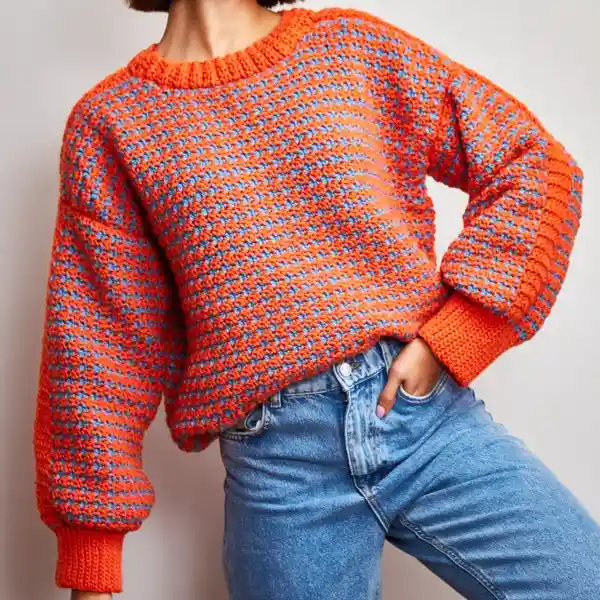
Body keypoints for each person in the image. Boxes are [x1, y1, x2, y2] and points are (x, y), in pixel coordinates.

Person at [34, 0, 600, 598]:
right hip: (280, 465)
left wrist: (459, 335)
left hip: (423, 417)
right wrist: (90, 552)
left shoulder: (350, 46)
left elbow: (533, 164)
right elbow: (96, 340)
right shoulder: (112, 120)